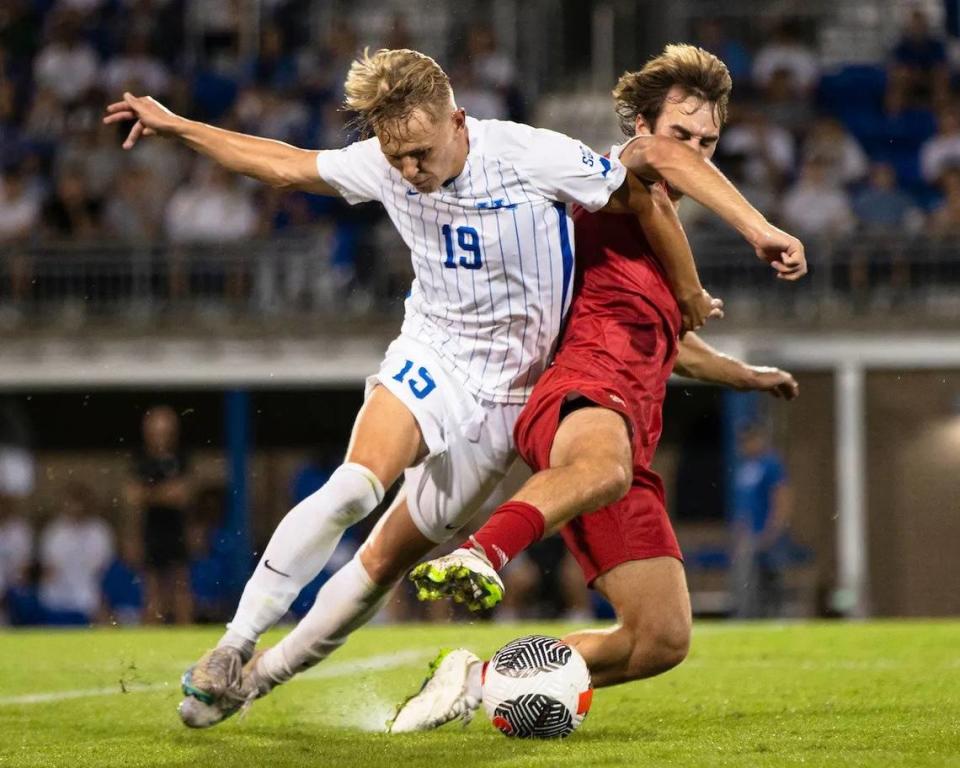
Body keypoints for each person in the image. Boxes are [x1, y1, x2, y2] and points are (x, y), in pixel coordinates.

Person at [104, 45, 804, 727]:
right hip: (438, 354)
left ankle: (262, 679)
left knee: (386, 562)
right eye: (396, 155)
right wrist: (179, 125)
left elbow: (654, 223)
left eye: (421, 154)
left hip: (510, 399)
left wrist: (724, 342)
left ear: (458, 121)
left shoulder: (528, 154)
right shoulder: (396, 163)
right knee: (356, 486)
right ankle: (234, 644)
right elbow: (286, 167)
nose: (409, 171)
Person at [392, 45, 802, 731]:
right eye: (682, 136)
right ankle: (481, 550)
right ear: (642, 127)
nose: (694, 151)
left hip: (627, 435)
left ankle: (477, 678)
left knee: (660, 639)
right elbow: (661, 165)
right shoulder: (616, 181)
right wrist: (760, 230)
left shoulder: (657, 233)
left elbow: (674, 347)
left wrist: (748, 376)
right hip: (583, 389)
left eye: (708, 141)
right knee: (600, 468)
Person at [125, 405, 194, 625]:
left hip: (176, 528)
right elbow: (131, 496)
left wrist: (150, 494)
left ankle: (186, 634)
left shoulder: (181, 457)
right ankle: (152, 635)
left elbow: (182, 494)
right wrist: (163, 494)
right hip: (150, 528)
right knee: (152, 590)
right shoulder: (140, 459)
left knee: (181, 587)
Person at [729, 422, 795, 619]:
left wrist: (774, 528)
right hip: (747, 535)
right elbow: (742, 504)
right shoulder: (744, 468)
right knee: (746, 580)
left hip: (766, 532)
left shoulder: (771, 464)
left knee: (770, 577)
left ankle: (774, 616)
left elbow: (782, 496)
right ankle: (748, 616)